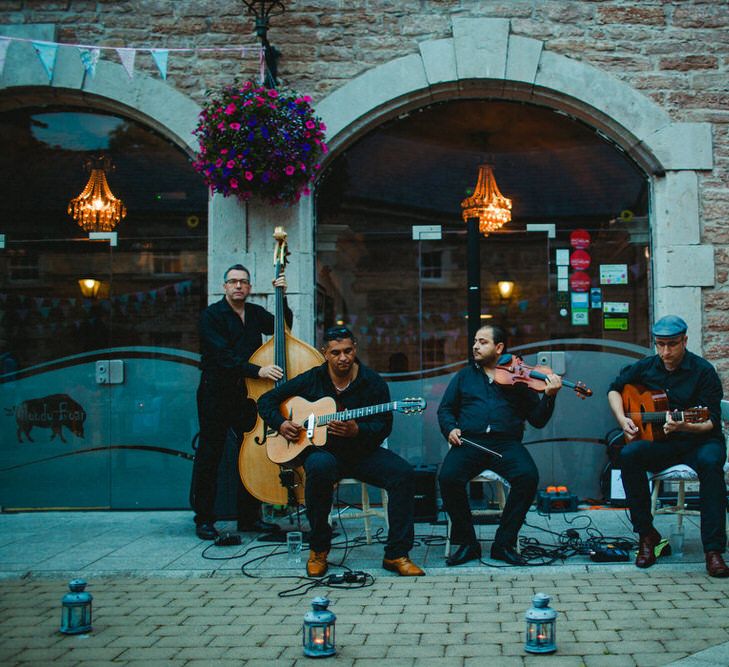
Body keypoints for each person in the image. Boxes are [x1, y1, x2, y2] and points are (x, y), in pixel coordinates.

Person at [256, 326, 425, 577]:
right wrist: (281, 424)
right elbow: (266, 401)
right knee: (318, 467)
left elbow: (383, 425)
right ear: (325, 353)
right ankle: (319, 550)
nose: (343, 357)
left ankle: (396, 554)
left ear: (355, 349)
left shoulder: (372, 382)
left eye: (347, 351)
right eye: (336, 352)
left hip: (361, 452)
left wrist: (357, 431)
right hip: (324, 453)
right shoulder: (312, 378)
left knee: (403, 473)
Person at [607, 314, 728, 577]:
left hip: (700, 440)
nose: (665, 351)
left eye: (671, 344)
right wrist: (623, 419)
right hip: (661, 443)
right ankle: (647, 535)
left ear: (685, 340)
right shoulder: (647, 366)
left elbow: (712, 422)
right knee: (629, 454)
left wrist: (684, 425)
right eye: (660, 344)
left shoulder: (703, 371)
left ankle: (714, 550)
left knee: (711, 463)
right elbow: (614, 389)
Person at [438, 324, 562, 566]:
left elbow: (537, 420)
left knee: (527, 476)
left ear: (499, 347)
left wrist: (549, 396)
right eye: (475, 341)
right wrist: (450, 429)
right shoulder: (465, 376)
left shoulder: (519, 378)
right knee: (448, 477)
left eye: (482, 342)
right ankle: (467, 544)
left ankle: (503, 543)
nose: (475, 346)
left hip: (506, 443)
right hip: (471, 442)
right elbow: (445, 409)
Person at [190, 263, 292, 541]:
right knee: (210, 454)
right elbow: (221, 356)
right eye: (233, 281)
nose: (238, 286)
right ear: (224, 286)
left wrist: (282, 295)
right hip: (216, 393)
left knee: (251, 454)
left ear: (249, 287)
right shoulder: (211, 316)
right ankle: (204, 519)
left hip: (247, 394)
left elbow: (284, 328)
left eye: (243, 282)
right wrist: (257, 370)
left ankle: (249, 519)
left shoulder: (255, 313)